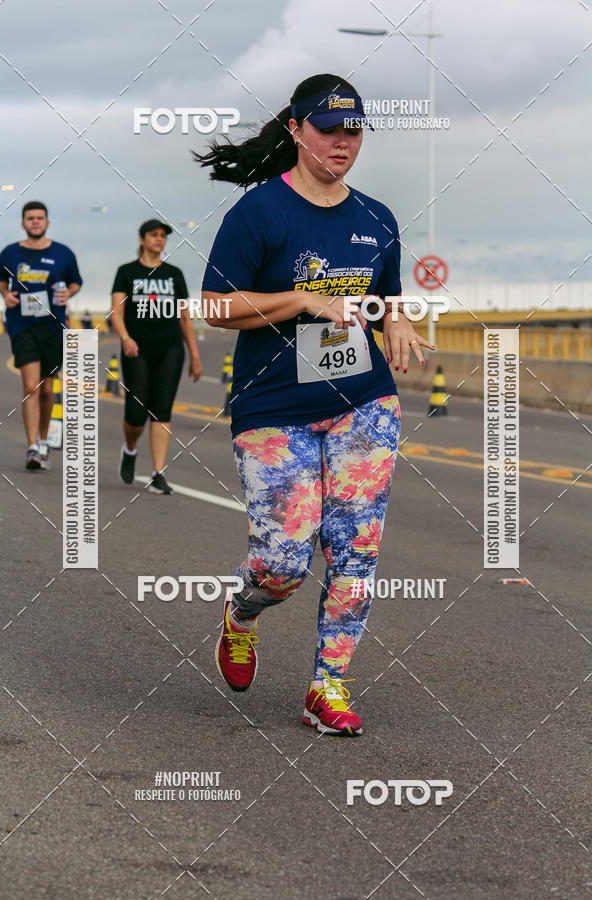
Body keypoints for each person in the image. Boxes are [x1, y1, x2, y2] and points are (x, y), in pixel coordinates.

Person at [198, 73, 436, 736]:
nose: (342, 141)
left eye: (353, 130)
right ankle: (241, 615)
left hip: (364, 400)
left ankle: (326, 687)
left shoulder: (376, 218)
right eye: (328, 129)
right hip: (274, 406)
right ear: (297, 131)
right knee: (283, 561)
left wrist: (397, 319)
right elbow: (215, 306)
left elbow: (384, 296)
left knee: (355, 549)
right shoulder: (259, 212)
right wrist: (303, 300)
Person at [110, 219, 203, 494]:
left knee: (161, 409)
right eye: (154, 235)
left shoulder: (174, 274)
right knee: (136, 414)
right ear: (142, 239)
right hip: (136, 349)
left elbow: (184, 317)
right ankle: (130, 449)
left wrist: (194, 355)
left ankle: (158, 473)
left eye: (163, 235)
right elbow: (116, 312)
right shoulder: (126, 272)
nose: (159, 239)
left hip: (170, 348)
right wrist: (125, 338)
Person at [0, 201, 82, 469]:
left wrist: (69, 292)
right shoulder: (11, 253)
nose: (35, 222)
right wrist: (5, 294)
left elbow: (76, 281)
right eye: (30, 218)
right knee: (31, 387)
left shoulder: (63, 253)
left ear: (47, 222)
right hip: (22, 326)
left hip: (52, 327)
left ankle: (44, 440)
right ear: (23, 223)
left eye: (39, 218)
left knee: (47, 389)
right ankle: (32, 448)